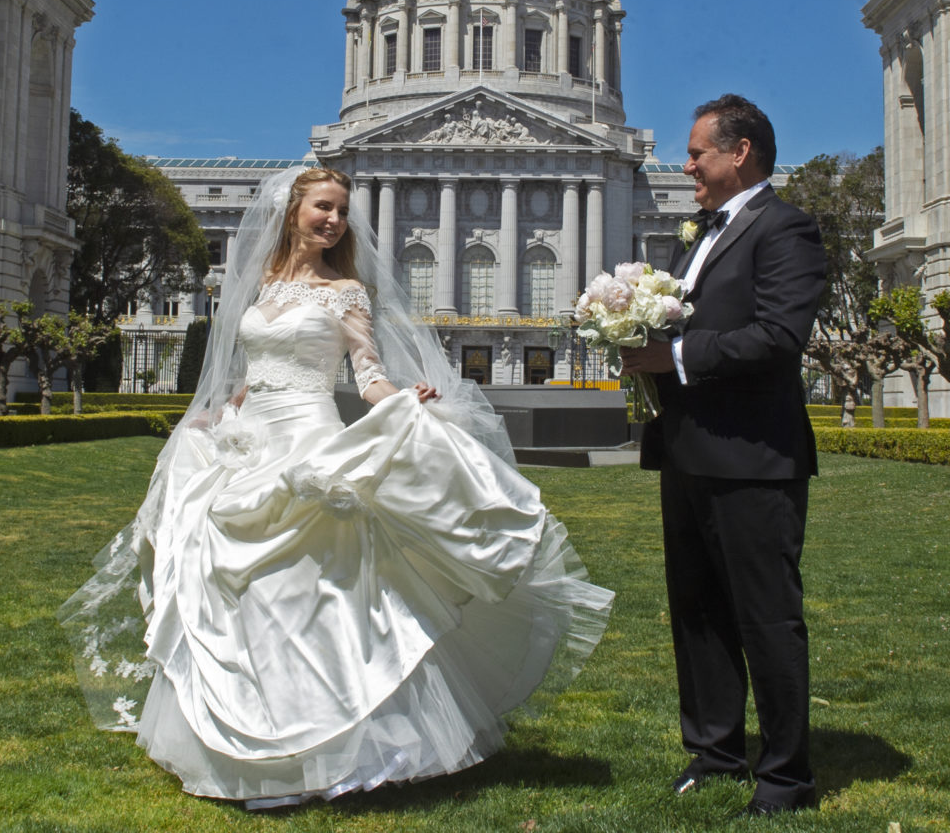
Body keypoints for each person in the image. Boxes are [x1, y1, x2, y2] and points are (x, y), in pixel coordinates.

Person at [59, 167, 612, 808]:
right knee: (241, 589)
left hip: (310, 441)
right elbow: (249, 375)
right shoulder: (259, 285)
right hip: (251, 442)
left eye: (343, 211)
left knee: (316, 586)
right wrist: (215, 420)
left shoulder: (347, 292)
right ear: (291, 210)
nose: (335, 220)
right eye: (324, 206)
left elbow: (367, 373)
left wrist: (403, 398)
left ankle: (347, 742)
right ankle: (256, 726)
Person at [621, 96, 826, 819]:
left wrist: (670, 354)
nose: (687, 166)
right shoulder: (698, 233)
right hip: (689, 450)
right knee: (698, 612)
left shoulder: (786, 229)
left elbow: (777, 337)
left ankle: (785, 777)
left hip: (753, 455)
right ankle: (714, 751)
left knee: (765, 617)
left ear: (740, 153)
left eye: (698, 153)